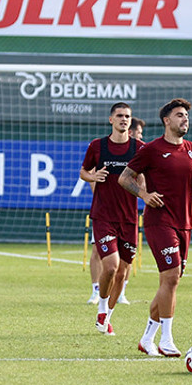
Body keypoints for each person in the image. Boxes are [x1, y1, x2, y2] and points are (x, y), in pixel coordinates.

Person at [120, 98, 192, 357]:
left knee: (170, 283)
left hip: (185, 224)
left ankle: (147, 338)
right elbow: (124, 178)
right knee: (170, 277)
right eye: (180, 115)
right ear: (167, 120)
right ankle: (167, 340)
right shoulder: (152, 149)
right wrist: (145, 195)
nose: (185, 120)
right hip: (160, 221)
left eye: (187, 116)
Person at [80, 102, 141, 335]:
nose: (124, 119)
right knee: (112, 266)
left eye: (127, 116)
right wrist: (93, 175)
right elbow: (83, 172)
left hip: (129, 218)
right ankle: (102, 307)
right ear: (111, 120)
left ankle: (107, 317)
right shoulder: (97, 146)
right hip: (103, 215)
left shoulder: (139, 148)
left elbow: (147, 174)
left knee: (123, 271)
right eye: (119, 116)